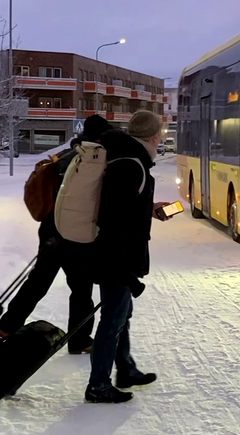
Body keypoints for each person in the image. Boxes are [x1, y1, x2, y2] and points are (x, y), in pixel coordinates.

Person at [0, 115, 113, 355]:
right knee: (81, 288)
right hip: (75, 233)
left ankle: (8, 326)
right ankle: (80, 340)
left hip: (51, 230)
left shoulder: (66, 157)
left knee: (38, 281)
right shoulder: (94, 162)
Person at [85, 110, 171, 404]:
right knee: (112, 320)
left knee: (122, 315)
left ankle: (126, 369)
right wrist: (122, 266)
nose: (161, 139)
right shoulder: (131, 165)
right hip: (115, 257)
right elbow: (112, 217)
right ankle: (98, 385)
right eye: (160, 134)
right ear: (153, 136)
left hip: (117, 255)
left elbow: (123, 206)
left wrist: (148, 208)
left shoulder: (129, 160)